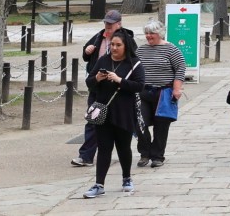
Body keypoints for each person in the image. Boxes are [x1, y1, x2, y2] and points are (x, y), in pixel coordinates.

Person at [82, 29, 146, 198]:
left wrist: (119, 80)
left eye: (119, 45)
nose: (115, 48)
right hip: (104, 112)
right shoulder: (104, 59)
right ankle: (99, 184)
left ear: (126, 46)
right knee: (104, 148)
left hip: (124, 112)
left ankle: (126, 178)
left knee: (123, 147)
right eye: (112, 44)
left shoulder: (134, 63)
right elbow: (89, 82)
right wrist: (98, 78)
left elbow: (139, 86)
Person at [73, 10, 133, 168]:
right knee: (93, 119)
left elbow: (133, 62)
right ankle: (86, 156)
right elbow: (86, 56)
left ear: (119, 24)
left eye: (110, 24)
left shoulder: (127, 39)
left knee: (119, 123)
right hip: (98, 85)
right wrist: (87, 51)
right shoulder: (99, 36)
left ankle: (130, 152)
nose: (107, 26)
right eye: (106, 22)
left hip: (118, 89)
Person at [135, 20, 185, 169]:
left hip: (164, 92)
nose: (149, 36)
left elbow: (180, 68)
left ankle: (157, 155)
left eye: (152, 33)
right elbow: (134, 68)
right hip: (143, 92)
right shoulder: (141, 50)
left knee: (161, 125)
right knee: (140, 123)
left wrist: (177, 89)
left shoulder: (171, 49)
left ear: (160, 34)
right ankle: (144, 153)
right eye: (147, 33)